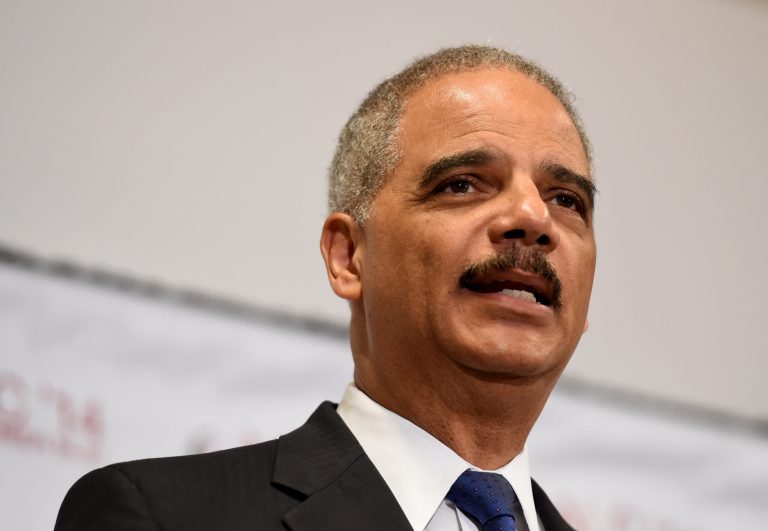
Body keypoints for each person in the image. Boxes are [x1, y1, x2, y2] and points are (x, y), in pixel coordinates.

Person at [55, 45, 596, 531]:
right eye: (462, 184)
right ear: (348, 257)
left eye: (567, 199)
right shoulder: (159, 515)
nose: (533, 215)